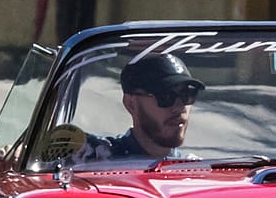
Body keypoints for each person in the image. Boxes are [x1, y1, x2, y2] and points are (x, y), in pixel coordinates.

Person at [71, 54, 205, 162]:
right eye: (165, 96)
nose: (179, 107)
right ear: (131, 104)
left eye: (187, 94)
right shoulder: (91, 159)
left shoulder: (197, 174)